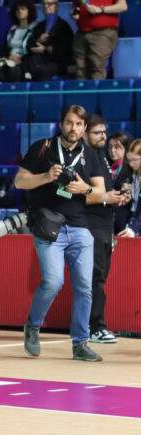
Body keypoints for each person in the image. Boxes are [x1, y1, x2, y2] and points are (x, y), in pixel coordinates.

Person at [14, 105, 106, 362]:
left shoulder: (90, 154)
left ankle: (80, 344)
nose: (73, 128)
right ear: (61, 123)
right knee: (53, 282)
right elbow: (19, 181)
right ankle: (33, 326)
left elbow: (100, 192)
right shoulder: (43, 148)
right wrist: (46, 176)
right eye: (69, 123)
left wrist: (85, 189)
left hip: (80, 227)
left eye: (78, 124)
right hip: (49, 226)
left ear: (84, 128)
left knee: (84, 288)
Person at [83, 116, 130, 344]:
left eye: (104, 132)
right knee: (95, 280)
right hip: (89, 225)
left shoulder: (99, 156)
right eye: (97, 133)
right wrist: (104, 198)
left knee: (98, 278)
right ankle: (96, 327)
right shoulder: (82, 158)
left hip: (104, 225)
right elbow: (69, 193)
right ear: (85, 134)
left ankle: (91, 326)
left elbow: (105, 192)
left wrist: (116, 197)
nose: (103, 136)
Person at [0, 0, 37, 82]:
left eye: (23, 9)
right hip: (9, 60)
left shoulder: (35, 30)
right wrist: (9, 57)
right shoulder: (11, 30)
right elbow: (4, 50)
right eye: (17, 9)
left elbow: (34, 51)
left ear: (29, 11)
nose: (20, 11)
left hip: (25, 63)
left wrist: (21, 59)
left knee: (13, 72)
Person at [72, 0, 127, 79]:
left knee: (97, 66)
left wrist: (101, 9)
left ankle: (97, 87)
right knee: (80, 68)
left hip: (103, 33)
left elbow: (123, 6)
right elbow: (76, 7)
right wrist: (74, 13)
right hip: (81, 33)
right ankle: (83, 87)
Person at [25, 0, 74, 82]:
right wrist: (39, 40)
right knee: (27, 64)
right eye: (44, 4)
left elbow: (66, 49)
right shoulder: (39, 26)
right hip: (39, 60)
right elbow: (28, 46)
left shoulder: (63, 26)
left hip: (57, 62)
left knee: (41, 69)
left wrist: (45, 49)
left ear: (57, 6)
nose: (46, 6)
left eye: (50, 4)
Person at [113, 139, 141, 238]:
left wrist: (133, 229)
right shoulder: (131, 175)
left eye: (134, 160)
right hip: (129, 223)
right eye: (128, 160)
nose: (130, 164)